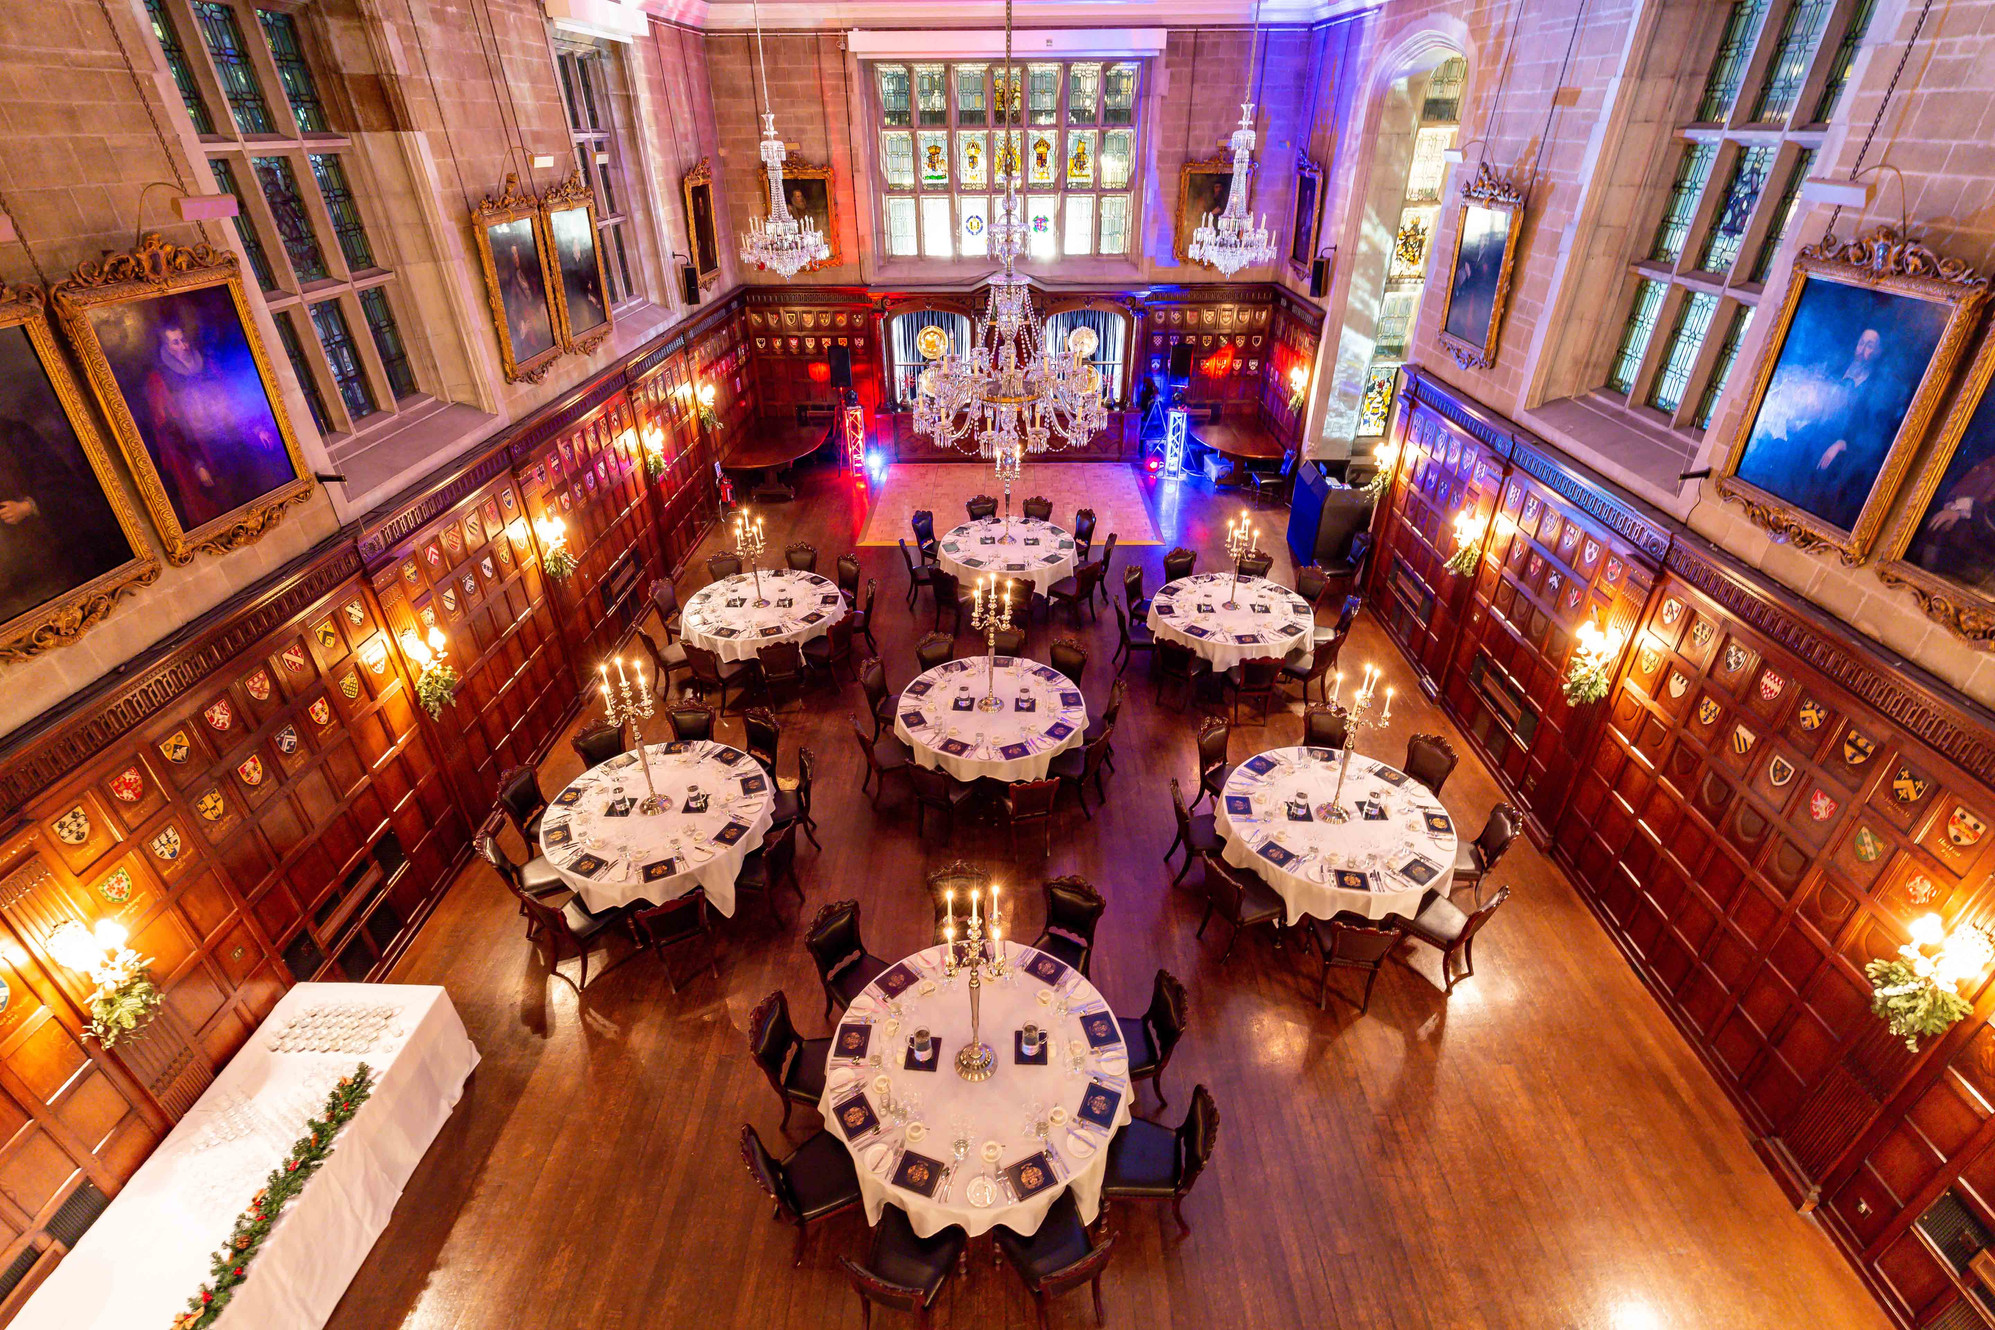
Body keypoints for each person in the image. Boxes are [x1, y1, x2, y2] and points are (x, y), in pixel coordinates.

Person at [141, 304, 290, 530]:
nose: (183, 346)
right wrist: (197, 463)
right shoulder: (160, 379)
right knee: (228, 503)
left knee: (257, 486)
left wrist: (256, 428)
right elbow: (170, 429)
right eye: (175, 342)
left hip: (234, 438)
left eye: (183, 340)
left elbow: (233, 399)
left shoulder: (207, 364)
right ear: (166, 347)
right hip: (204, 450)